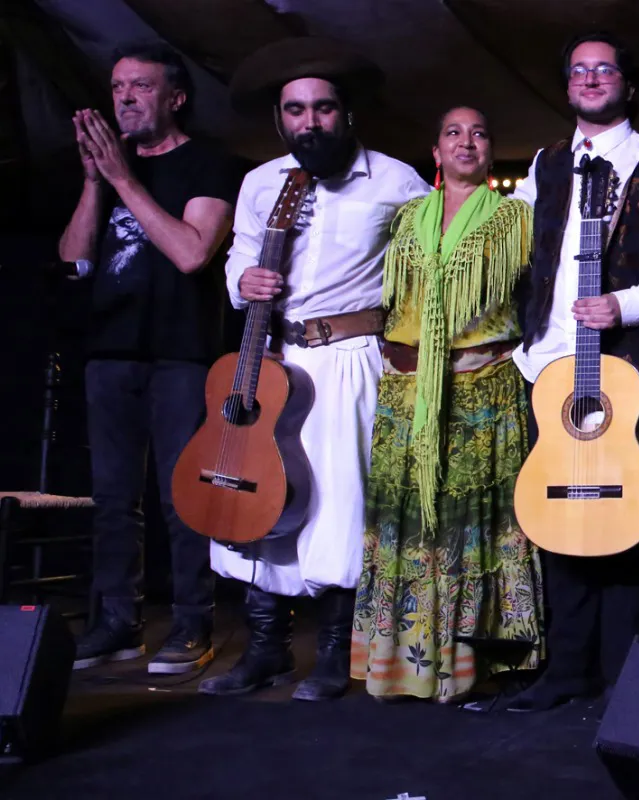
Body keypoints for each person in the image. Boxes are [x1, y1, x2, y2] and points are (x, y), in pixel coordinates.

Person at [200, 37, 430, 701]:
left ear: (346, 114)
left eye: (323, 108)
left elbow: (431, 270)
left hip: (350, 359)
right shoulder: (259, 182)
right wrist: (244, 281)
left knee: (338, 503)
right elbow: (237, 260)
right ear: (280, 120)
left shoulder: (395, 181)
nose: (310, 122)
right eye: (295, 110)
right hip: (273, 357)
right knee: (257, 492)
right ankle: (265, 649)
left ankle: (335, 651)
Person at [496, 31, 639, 713]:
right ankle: (567, 670)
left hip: (638, 370)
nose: (590, 79)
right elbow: (516, 246)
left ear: (629, 83)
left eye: (605, 69)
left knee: (633, 528)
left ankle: (626, 682)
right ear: (567, 85)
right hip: (551, 372)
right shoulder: (545, 165)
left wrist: (625, 303)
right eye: (578, 71)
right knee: (557, 521)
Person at [349, 106, 543, 703]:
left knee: (472, 525)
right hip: (406, 395)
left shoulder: (515, 219)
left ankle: (471, 662)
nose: (466, 141)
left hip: (482, 395)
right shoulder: (407, 218)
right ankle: (401, 665)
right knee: (407, 519)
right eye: (453, 133)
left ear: (491, 152)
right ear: (435, 151)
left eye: (479, 133)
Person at [56, 42, 237, 675]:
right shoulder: (108, 170)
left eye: (140, 86)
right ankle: (117, 623)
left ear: (175, 97)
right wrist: (92, 181)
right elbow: (74, 260)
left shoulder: (210, 165)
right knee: (111, 499)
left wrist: (123, 181)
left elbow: (192, 253)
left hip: (179, 354)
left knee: (181, 496)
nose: (125, 98)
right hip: (109, 353)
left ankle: (192, 623)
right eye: (117, 87)